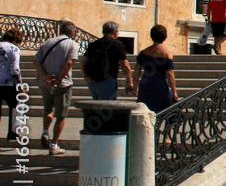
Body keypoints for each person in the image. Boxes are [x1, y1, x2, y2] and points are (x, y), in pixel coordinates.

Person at [32, 20, 78, 155]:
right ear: (72, 33)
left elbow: (36, 61)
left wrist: (45, 76)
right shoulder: (72, 44)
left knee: (47, 109)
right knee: (61, 114)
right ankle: (54, 144)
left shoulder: (47, 43)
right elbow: (69, 63)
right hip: (63, 84)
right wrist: (58, 79)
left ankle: (45, 131)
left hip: (45, 83)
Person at [81, 21, 133, 100]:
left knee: (97, 107)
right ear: (115, 32)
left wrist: (85, 76)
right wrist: (129, 81)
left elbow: (83, 61)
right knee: (107, 107)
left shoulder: (94, 44)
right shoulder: (117, 44)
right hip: (108, 80)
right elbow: (125, 64)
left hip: (92, 81)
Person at [135, 24, 178, 113]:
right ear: (165, 37)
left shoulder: (143, 52)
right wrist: (174, 91)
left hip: (145, 84)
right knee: (164, 110)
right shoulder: (167, 52)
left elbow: (137, 71)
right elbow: (169, 72)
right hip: (160, 85)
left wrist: (135, 86)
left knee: (146, 110)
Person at [0, 28, 25, 142]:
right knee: (16, 105)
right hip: (8, 84)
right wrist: (20, 86)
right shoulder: (14, 48)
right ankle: (13, 132)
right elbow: (15, 69)